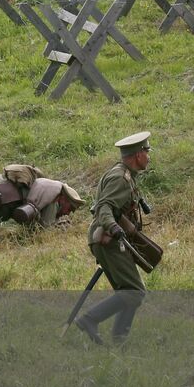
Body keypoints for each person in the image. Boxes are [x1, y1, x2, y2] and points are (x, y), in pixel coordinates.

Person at [73, 132, 154, 345]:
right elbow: (103, 208)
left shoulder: (124, 174)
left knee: (129, 292)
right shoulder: (120, 178)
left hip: (109, 239)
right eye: (147, 151)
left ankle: (119, 340)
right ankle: (90, 320)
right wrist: (115, 228)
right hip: (108, 240)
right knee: (135, 292)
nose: (149, 155)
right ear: (137, 155)